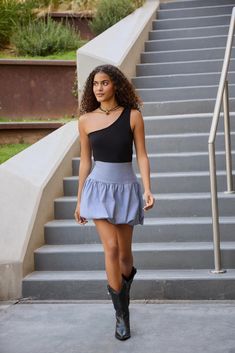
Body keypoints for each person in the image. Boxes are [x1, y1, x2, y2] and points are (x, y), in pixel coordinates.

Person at [74, 64, 155, 341]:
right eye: (95, 83)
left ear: (116, 85)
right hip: (97, 189)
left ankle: (124, 289)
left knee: (124, 256)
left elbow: (142, 155)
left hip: (126, 189)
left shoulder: (133, 116)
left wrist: (147, 188)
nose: (99, 88)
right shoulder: (85, 120)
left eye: (104, 83)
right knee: (110, 247)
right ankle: (121, 316)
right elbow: (86, 162)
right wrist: (79, 199)